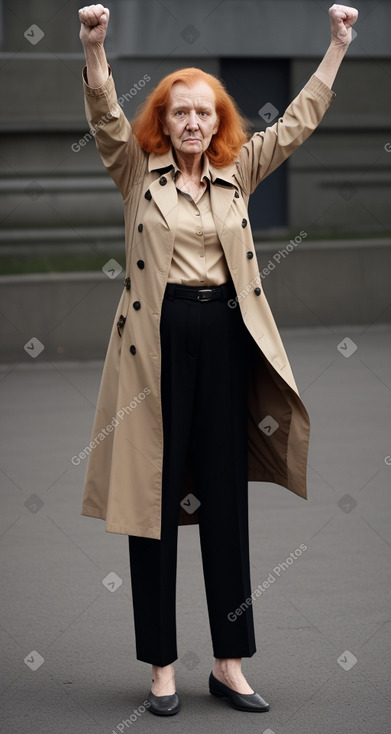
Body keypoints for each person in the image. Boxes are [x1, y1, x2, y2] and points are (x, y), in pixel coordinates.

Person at [78, 3, 358, 717]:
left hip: (226, 339)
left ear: (218, 121)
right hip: (158, 345)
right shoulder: (137, 170)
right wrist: (93, 48)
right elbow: (106, 116)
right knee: (154, 502)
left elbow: (297, 121)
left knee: (224, 503)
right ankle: (162, 667)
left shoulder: (241, 169)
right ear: (164, 124)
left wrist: (335, 46)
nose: (194, 124)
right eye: (180, 115)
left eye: (204, 113)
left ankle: (230, 665)